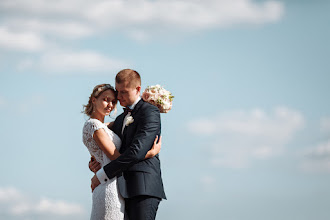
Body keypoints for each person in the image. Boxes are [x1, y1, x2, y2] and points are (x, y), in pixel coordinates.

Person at [90, 69, 167, 220]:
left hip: (143, 188)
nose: (119, 97)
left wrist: (102, 175)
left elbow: (136, 152)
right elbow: (104, 138)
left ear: (138, 89)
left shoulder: (149, 112)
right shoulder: (120, 119)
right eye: (117, 91)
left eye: (123, 92)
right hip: (122, 189)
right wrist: (95, 160)